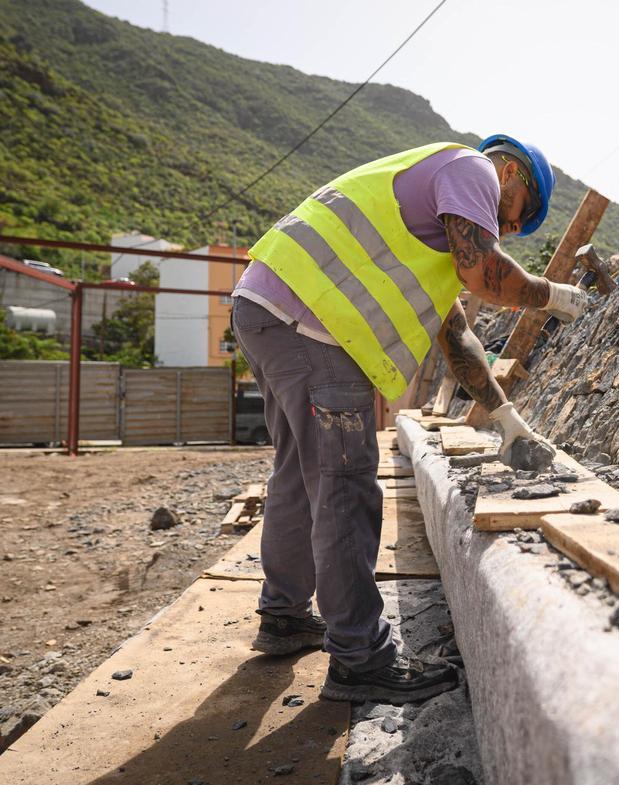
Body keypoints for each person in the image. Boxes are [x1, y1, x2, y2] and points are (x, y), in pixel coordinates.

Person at [229, 136, 587, 704]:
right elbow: (484, 270)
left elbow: (458, 339)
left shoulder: (431, 227)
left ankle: (284, 615)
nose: (511, 231)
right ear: (513, 175)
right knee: (344, 484)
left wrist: (506, 417)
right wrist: (553, 295)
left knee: (300, 471)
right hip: (313, 323)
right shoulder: (474, 169)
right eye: (519, 218)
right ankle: (360, 659)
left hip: (268, 307)